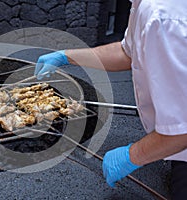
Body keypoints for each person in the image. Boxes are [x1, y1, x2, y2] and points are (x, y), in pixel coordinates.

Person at [34, 0, 187, 199]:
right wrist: (67, 56)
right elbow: (126, 53)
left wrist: (133, 155)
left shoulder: (161, 16)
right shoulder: (144, 6)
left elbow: (181, 129)